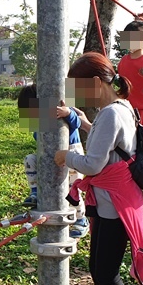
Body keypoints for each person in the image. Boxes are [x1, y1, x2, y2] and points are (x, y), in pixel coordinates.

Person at [53, 52, 143, 285]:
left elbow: (94, 163)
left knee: (107, 273)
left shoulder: (111, 114)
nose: (77, 94)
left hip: (116, 205)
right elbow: (106, 143)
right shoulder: (119, 108)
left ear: (96, 83)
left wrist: (65, 157)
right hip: (112, 202)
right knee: (98, 269)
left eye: (79, 88)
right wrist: (81, 121)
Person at [19, 84, 91, 238]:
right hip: (50, 156)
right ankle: (35, 192)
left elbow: (77, 123)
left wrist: (68, 113)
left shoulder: (61, 111)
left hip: (72, 153)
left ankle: (81, 219)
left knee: (73, 190)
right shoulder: (39, 124)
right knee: (29, 159)